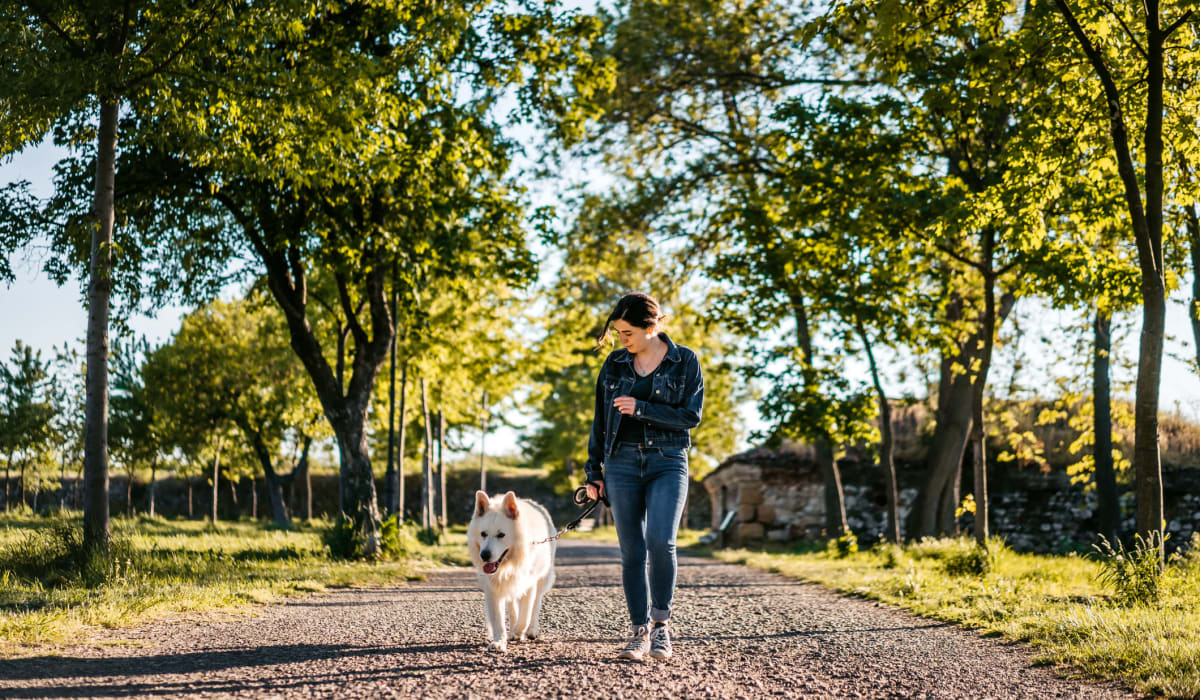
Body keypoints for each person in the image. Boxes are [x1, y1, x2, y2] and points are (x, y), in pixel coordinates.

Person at [583, 292, 704, 661]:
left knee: (661, 542)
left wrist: (642, 408)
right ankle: (638, 632)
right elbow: (600, 420)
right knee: (632, 550)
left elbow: (691, 416)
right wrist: (594, 472)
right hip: (620, 464)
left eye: (628, 332)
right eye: (618, 332)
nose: (622, 339)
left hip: (668, 460)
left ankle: (662, 627)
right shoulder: (615, 363)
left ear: (651, 327)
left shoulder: (685, 361)